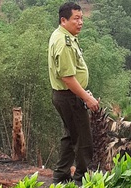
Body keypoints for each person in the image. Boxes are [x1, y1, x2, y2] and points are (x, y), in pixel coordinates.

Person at [48, 2, 99, 185]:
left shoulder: (63, 35)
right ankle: (81, 180)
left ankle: (61, 177)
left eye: (82, 18)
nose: (80, 22)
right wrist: (86, 97)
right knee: (84, 142)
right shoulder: (64, 42)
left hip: (67, 96)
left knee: (70, 137)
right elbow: (68, 78)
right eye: (76, 18)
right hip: (70, 97)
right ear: (63, 20)